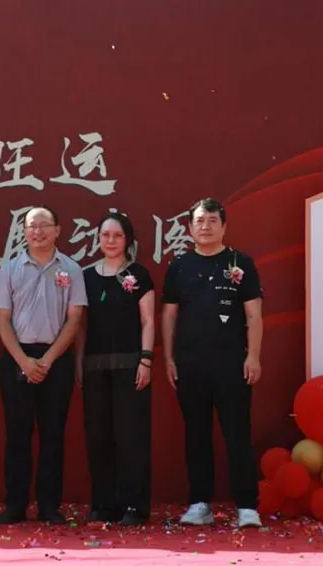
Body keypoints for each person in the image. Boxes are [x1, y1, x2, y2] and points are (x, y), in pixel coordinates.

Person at [161, 198, 264, 528]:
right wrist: (168, 358)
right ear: (190, 228)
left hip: (232, 363)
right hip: (189, 363)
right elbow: (169, 316)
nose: (205, 226)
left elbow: (254, 314)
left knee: (237, 433)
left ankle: (246, 506)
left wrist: (253, 355)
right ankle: (199, 504)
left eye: (212, 220)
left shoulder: (241, 263)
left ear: (224, 226)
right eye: (199, 221)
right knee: (196, 434)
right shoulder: (179, 266)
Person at [0, 205, 87, 524]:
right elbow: (2, 320)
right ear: (24, 232)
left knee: (53, 435)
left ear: (57, 230)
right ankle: (15, 504)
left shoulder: (71, 269)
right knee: (17, 434)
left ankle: (49, 505)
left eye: (44, 225)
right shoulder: (9, 269)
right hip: (17, 356)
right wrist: (23, 361)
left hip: (55, 358)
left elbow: (74, 319)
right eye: (32, 226)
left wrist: (46, 360)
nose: (38, 231)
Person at [75, 212, 154, 526]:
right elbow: (81, 326)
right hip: (95, 367)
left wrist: (146, 359)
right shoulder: (86, 277)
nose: (110, 241)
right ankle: (103, 504)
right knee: (98, 436)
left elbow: (148, 320)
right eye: (105, 235)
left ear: (128, 240)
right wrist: (80, 363)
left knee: (130, 436)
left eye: (117, 235)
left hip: (130, 367)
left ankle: (134, 505)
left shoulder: (139, 275)